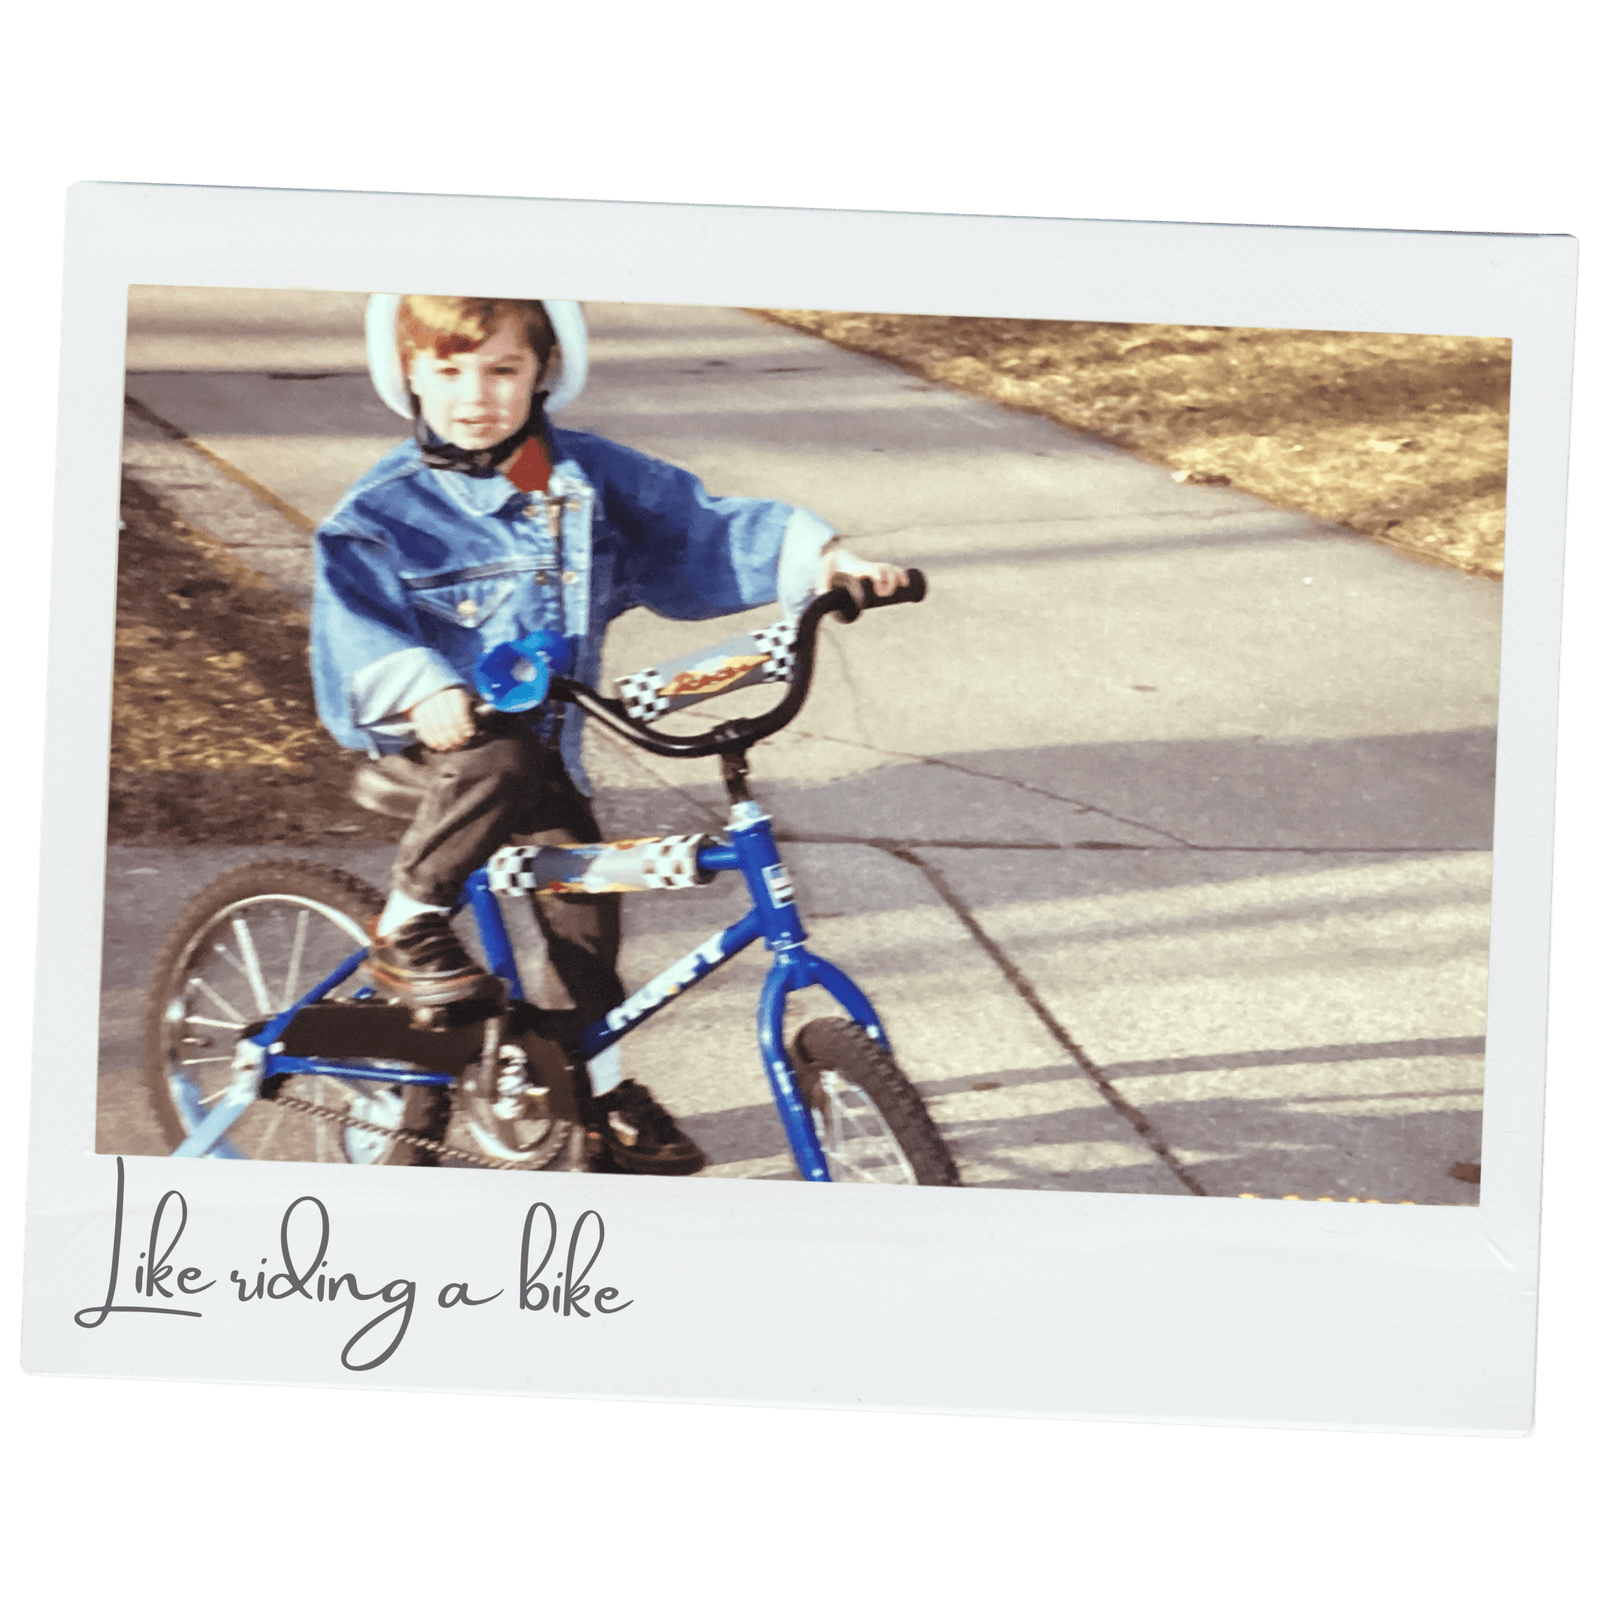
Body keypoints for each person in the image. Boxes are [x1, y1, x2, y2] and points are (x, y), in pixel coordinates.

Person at [311, 295, 906, 1175]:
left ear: (543, 373)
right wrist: (423, 686)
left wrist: (824, 561)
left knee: (585, 927)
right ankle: (407, 925)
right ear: (409, 376)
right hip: (434, 754)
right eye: (449, 370)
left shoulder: (582, 480)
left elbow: (698, 523)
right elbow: (354, 622)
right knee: (501, 758)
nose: (476, 395)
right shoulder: (385, 510)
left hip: (545, 764)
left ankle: (596, 1090)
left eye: (503, 370)